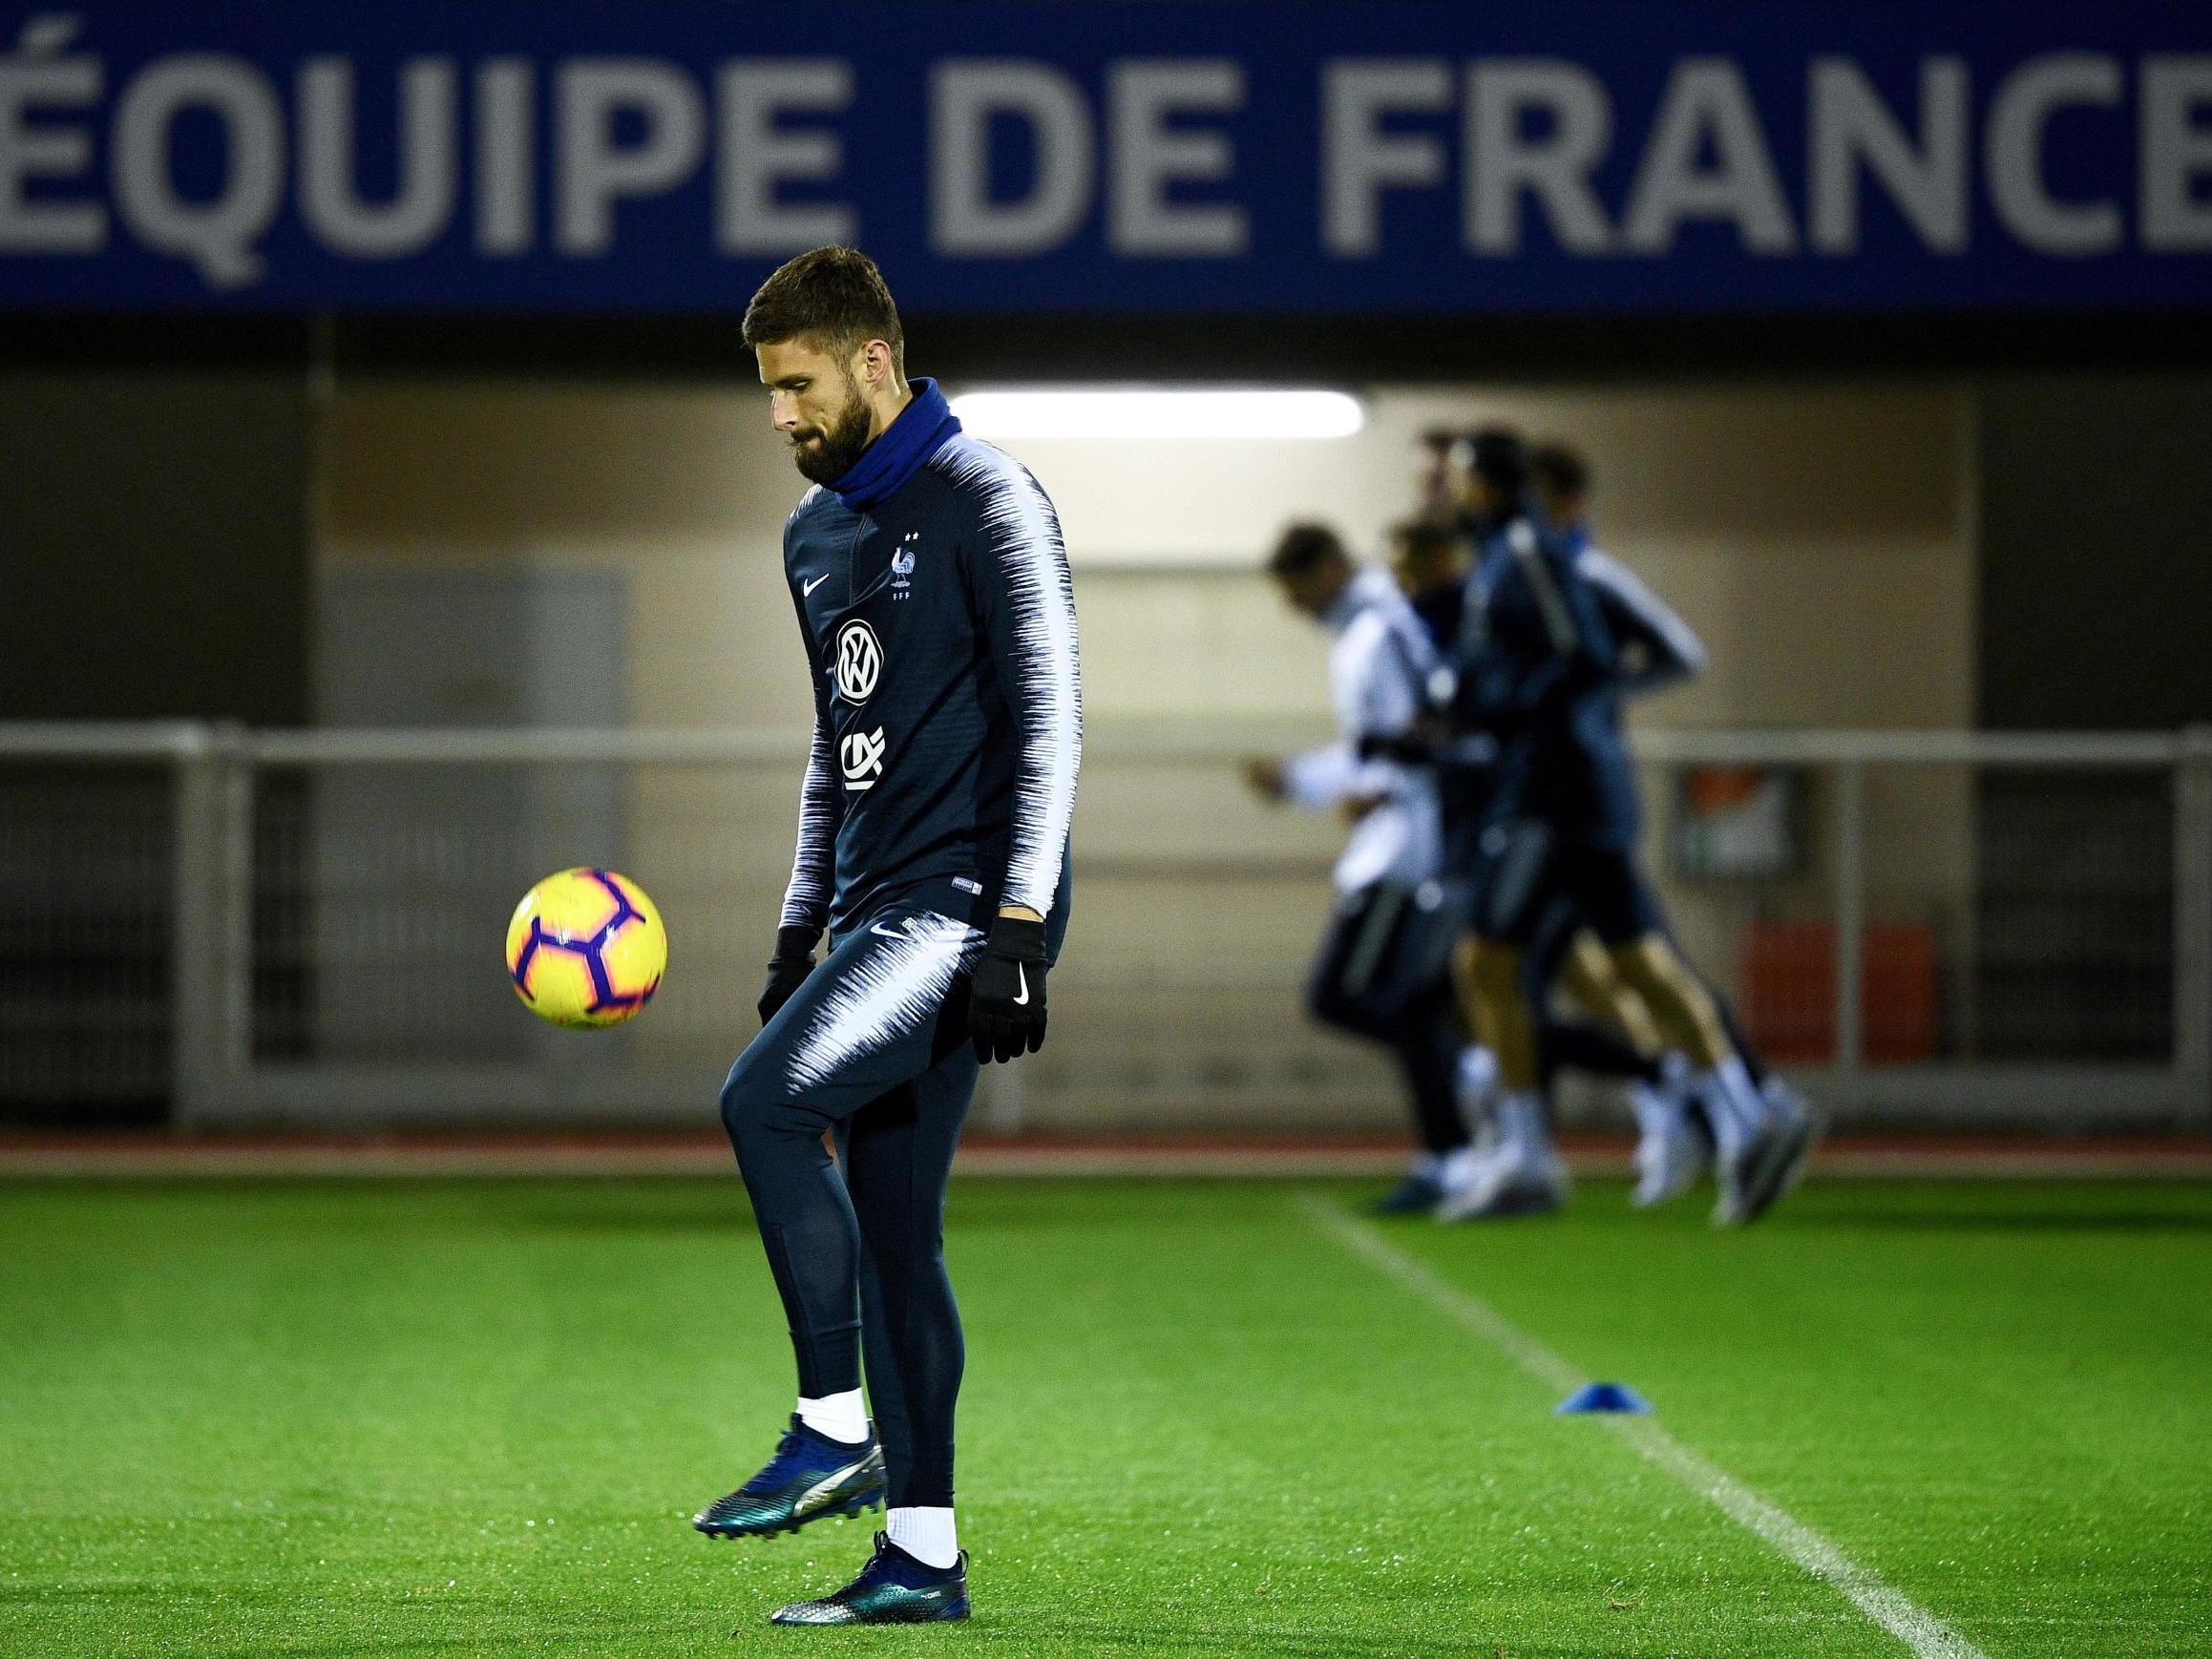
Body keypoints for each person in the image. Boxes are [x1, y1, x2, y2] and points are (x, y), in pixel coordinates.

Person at [696, 247, 1081, 1627]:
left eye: (798, 384)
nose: (779, 414)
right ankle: (921, 1558)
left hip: (961, 903)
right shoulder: (814, 534)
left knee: (762, 1105)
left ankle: (834, 1423)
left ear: (874, 361)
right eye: (768, 390)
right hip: (873, 910)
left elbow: (1053, 715)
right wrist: (797, 926)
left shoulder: (988, 494)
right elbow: (834, 747)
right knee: (899, 1238)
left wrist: (1019, 924)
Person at [1439, 429, 1807, 1226]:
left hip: (1550, 795)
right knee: (1637, 966)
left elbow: (1580, 657)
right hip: (1571, 790)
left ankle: (1529, 1157)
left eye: (1459, 477)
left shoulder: (1530, 554)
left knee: (1487, 964)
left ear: (1489, 482)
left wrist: (1497, 705)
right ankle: (1746, 1116)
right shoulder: (1512, 554)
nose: (1449, 491)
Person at [1244, 522, 1490, 1214]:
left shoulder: (1381, 628)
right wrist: (1311, 781)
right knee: (1405, 1007)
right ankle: (1457, 1130)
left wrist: (1341, 785)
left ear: (1327, 569)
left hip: (1408, 850)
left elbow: (1412, 738)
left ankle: (1472, 1091)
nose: (1293, 605)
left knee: (1354, 998)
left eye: (1295, 588)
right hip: (1400, 840)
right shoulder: (1370, 630)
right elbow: (1382, 746)